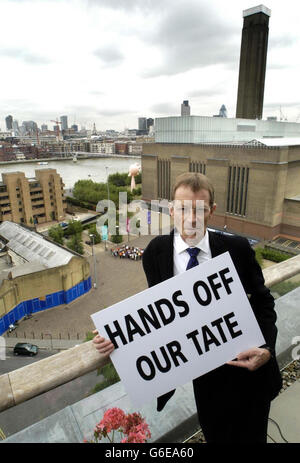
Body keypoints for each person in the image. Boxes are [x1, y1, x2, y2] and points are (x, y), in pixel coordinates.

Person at [93, 172, 282, 443]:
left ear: (212, 211)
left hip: (250, 373)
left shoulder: (237, 249)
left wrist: (267, 350)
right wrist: (116, 336)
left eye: (200, 210)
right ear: (171, 210)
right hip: (205, 381)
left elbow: (264, 302)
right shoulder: (155, 253)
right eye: (182, 209)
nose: (191, 219)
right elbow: (159, 316)